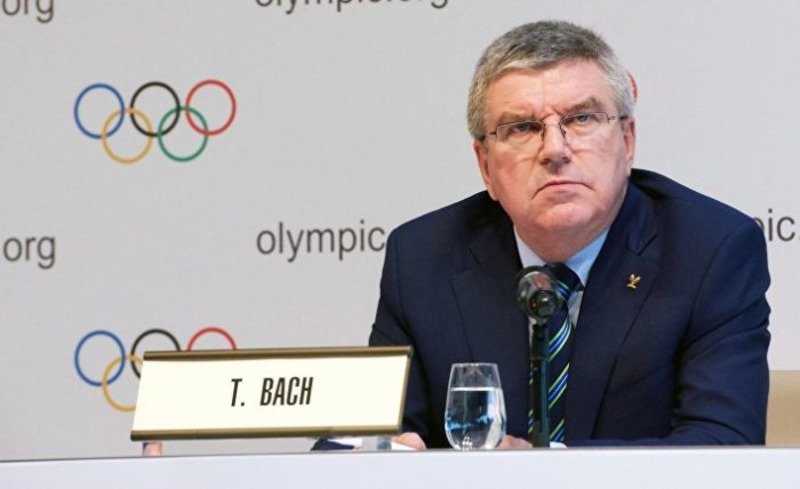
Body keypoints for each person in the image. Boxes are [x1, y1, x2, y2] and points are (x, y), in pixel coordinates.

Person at [366, 20, 770, 448]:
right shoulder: (421, 259)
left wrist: (544, 467)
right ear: (485, 166)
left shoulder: (710, 251)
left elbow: (723, 442)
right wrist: (385, 451)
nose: (555, 150)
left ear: (627, 141)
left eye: (581, 118)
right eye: (522, 128)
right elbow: (366, 436)